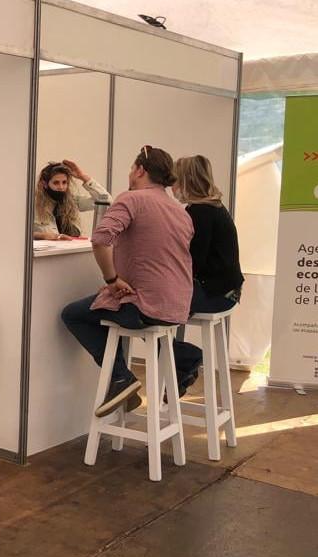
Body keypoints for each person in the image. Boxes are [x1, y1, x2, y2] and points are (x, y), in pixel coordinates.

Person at [61, 146, 194, 417]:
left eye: (132, 168)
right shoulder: (180, 210)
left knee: (73, 314)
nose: (130, 173)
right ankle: (183, 355)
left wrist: (112, 279)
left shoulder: (132, 199)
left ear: (141, 170)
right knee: (115, 311)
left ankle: (121, 377)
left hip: (145, 305)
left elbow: (101, 239)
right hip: (178, 305)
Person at [171, 155, 244, 396]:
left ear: (186, 181)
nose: (171, 185)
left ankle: (186, 358)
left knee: (147, 312)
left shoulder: (199, 212)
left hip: (216, 293)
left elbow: (192, 262)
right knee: (152, 313)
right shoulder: (213, 207)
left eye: (174, 180)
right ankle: (181, 366)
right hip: (226, 291)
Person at [33, 159, 111, 240]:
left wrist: (82, 177)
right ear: (44, 184)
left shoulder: (73, 201)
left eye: (64, 182)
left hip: (73, 247)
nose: (61, 187)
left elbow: (107, 201)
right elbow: (24, 232)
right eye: (56, 183)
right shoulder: (33, 205)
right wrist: (41, 235)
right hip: (48, 248)